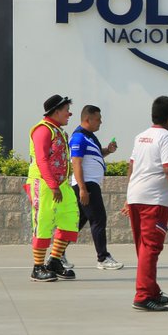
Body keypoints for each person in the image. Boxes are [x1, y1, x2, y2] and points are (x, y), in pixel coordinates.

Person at [121, 96, 168, 312]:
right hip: (154, 200)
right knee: (151, 248)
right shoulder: (167, 138)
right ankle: (143, 296)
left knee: (143, 248)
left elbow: (132, 166)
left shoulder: (141, 137)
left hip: (136, 197)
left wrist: (128, 195)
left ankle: (151, 291)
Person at [23, 94, 79, 282]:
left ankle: (54, 260)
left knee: (70, 219)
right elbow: (42, 159)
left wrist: (60, 184)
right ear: (56, 112)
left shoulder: (59, 131)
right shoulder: (43, 130)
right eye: (66, 110)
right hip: (44, 184)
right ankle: (37, 267)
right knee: (43, 222)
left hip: (61, 184)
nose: (69, 114)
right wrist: (52, 184)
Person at [69, 104, 122, 270]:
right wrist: (83, 189)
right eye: (98, 119)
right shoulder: (78, 137)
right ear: (87, 119)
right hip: (87, 184)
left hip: (90, 183)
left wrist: (108, 150)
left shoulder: (90, 137)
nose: (101, 122)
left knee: (76, 223)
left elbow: (94, 155)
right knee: (98, 219)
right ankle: (103, 258)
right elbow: (76, 163)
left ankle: (57, 255)